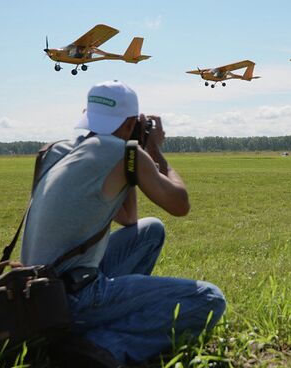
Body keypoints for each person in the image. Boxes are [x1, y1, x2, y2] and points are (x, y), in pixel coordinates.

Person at [20, 80, 226, 365]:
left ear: (87, 114)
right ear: (132, 123)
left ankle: (99, 321)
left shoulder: (56, 151)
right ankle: (99, 346)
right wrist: (154, 150)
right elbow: (180, 204)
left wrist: (133, 152)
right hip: (75, 299)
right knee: (210, 299)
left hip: (37, 293)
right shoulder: (123, 153)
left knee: (149, 231)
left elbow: (128, 218)